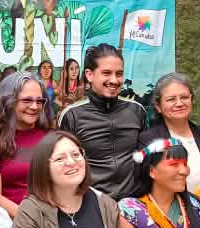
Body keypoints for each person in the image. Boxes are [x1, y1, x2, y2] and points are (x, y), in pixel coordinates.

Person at [58, 43, 147, 200]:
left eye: (119, 74)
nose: (114, 80)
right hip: (90, 203)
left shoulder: (137, 111)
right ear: (89, 75)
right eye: (106, 73)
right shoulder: (72, 116)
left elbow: (147, 160)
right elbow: (62, 167)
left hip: (133, 203)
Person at [138, 72, 200, 192]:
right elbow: (147, 185)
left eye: (184, 97)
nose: (179, 103)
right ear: (158, 106)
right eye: (171, 99)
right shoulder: (148, 140)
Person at [0, 72, 51, 217]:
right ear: (9, 101)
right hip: (10, 221)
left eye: (39, 101)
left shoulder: (50, 137)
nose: (34, 106)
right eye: (27, 100)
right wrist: (29, 221)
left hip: (52, 218)